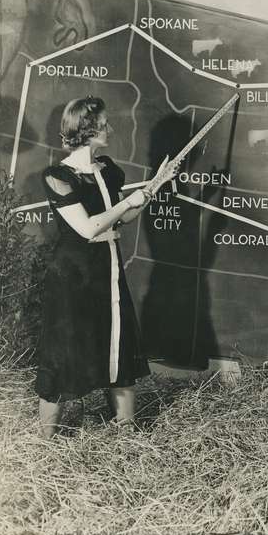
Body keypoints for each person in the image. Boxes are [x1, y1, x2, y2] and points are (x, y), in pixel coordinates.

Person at [36, 96, 177, 438]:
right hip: (72, 278)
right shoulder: (57, 176)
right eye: (104, 124)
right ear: (87, 130)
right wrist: (129, 201)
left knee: (119, 344)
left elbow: (124, 216)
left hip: (108, 272)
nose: (110, 129)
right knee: (64, 352)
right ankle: (42, 442)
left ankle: (127, 436)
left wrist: (155, 185)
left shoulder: (109, 169)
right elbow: (87, 228)